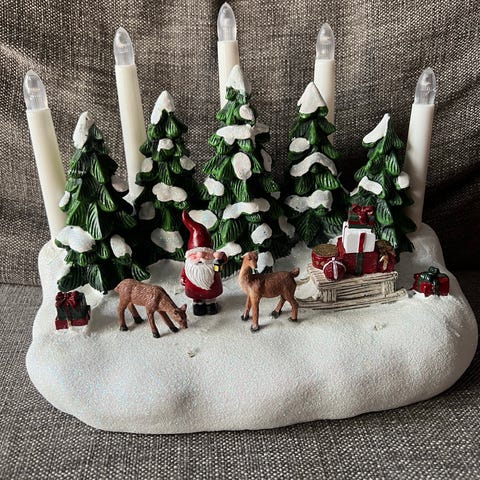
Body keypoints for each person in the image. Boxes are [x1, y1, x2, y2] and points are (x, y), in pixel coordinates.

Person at [180, 211, 227, 316]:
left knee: (210, 300)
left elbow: (218, 269)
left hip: (211, 290)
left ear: (211, 254)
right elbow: (184, 273)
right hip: (194, 291)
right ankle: (198, 304)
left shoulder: (213, 265)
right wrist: (183, 278)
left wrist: (219, 260)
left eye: (205, 255)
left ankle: (211, 304)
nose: (200, 259)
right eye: (195, 256)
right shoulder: (189, 265)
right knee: (197, 301)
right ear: (189, 255)